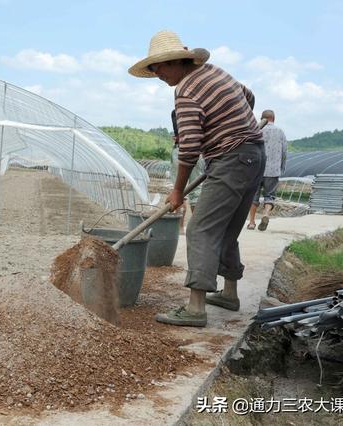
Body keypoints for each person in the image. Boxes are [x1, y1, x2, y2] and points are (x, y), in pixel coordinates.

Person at [129, 30, 265, 327]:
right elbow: (248, 96)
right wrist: (232, 122)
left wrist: (177, 190)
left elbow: (189, 148)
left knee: (199, 230)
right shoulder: (216, 73)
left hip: (231, 160)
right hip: (253, 155)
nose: (158, 74)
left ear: (177, 61)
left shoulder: (186, 91)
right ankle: (229, 294)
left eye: (160, 67)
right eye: (152, 69)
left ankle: (195, 308)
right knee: (227, 228)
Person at [247, 110, 287, 231]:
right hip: (273, 170)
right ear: (273, 118)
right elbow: (284, 152)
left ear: (262, 119)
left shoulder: (256, 130)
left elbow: (249, 149)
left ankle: (252, 222)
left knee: (253, 197)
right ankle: (265, 214)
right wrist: (281, 168)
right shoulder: (280, 132)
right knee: (270, 196)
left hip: (256, 170)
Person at [169, 109, 205, 232]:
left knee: (178, 190)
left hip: (181, 150)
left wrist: (177, 138)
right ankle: (197, 228)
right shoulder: (201, 111)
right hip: (198, 151)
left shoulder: (176, 113)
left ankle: (180, 227)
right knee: (197, 190)